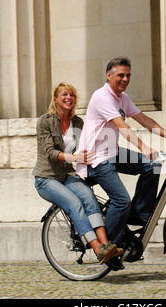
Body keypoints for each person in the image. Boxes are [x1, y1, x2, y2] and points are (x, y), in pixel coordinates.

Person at [76, 57, 166, 269]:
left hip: (113, 152)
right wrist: (144, 147)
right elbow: (122, 126)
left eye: (128, 76)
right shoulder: (102, 97)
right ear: (109, 76)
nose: (125, 79)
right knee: (121, 200)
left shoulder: (122, 98)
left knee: (152, 166)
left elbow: (144, 120)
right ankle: (110, 248)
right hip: (95, 158)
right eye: (120, 75)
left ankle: (139, 213)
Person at [33, 82, 123, 265]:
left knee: (89, 197)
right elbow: (50, 153)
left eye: (72, 95)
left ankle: (107, 246)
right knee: (75, 203)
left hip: (67, 176)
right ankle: (98, 249)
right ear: (56, 99)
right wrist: (74, 157)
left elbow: (89, 145)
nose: (69, 98)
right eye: (64, 94)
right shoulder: (45, 121)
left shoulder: (78, 123)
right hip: (46, 178)